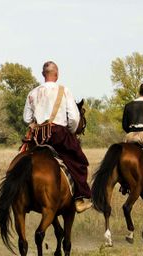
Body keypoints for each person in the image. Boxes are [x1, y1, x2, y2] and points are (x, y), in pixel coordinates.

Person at [22, 61, 92, 213]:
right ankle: (79, 199)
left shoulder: (32, 93)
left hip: (37, 136)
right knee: (79, 161)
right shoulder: (64, 90)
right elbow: (74, 118)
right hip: (58, 134)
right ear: (57, 74)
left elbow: (26, 119)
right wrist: (70, 132)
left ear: (43, 74)